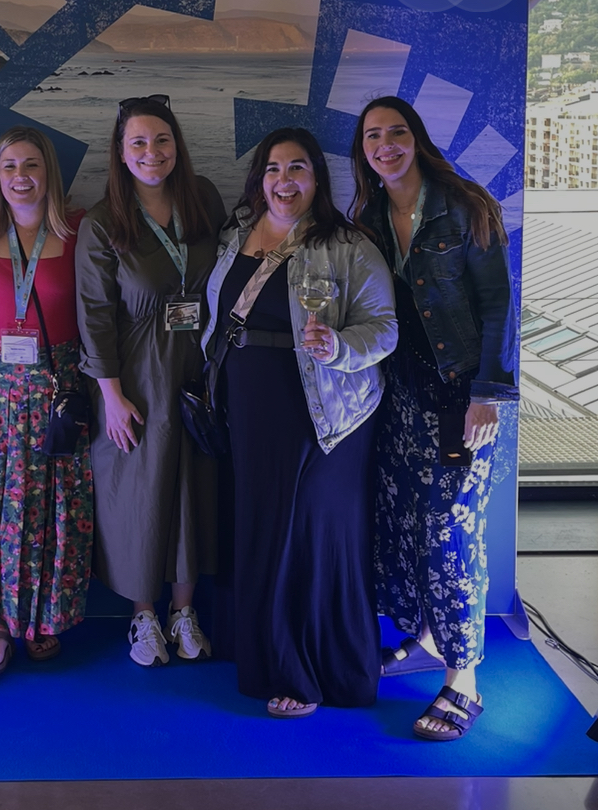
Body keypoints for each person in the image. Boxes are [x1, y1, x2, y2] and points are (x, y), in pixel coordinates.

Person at [202, 127, 396, 718]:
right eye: (273, 170)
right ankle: (264, 657)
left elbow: (383, 327)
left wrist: (337, 347)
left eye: (297, 169)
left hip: (323, 410)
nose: (284, 182)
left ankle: (310, 670)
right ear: (260, 179)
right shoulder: (236, 233)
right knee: (263, 528)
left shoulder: (347, 244)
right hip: (251, 406)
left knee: (310, 533)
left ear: (317, 178)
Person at [350, 96, 518, 740]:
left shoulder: (464, 205)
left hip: (459, 398)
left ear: (416, 139)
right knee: (407, 528)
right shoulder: (366, 214)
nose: (385, 144)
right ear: (362, 149)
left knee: (451, 535)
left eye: (397, 132)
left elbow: (500, 306)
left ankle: (464, 679)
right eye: (372, 136)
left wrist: (488, 394)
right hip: (399, 398)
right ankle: (423, 638)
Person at [75, 95, 227, 667]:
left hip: (198, 366)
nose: (151, 153)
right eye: (137, 142)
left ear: (176, 145)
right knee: (141, 493)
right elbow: (94, 315)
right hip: (136, 373)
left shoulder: (204, 199)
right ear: (120, 151)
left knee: (193, 488)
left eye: (161, 140)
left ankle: (183, 610)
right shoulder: (101, 224)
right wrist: (110, 395)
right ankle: (143, 615)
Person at [0, 126, 93, 674]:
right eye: (8, 166)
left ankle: (41, 620)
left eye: (31, 164)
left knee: (51, 511)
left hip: (55, 389)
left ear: (49, 171)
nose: (20, 176)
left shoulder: (80, 229)